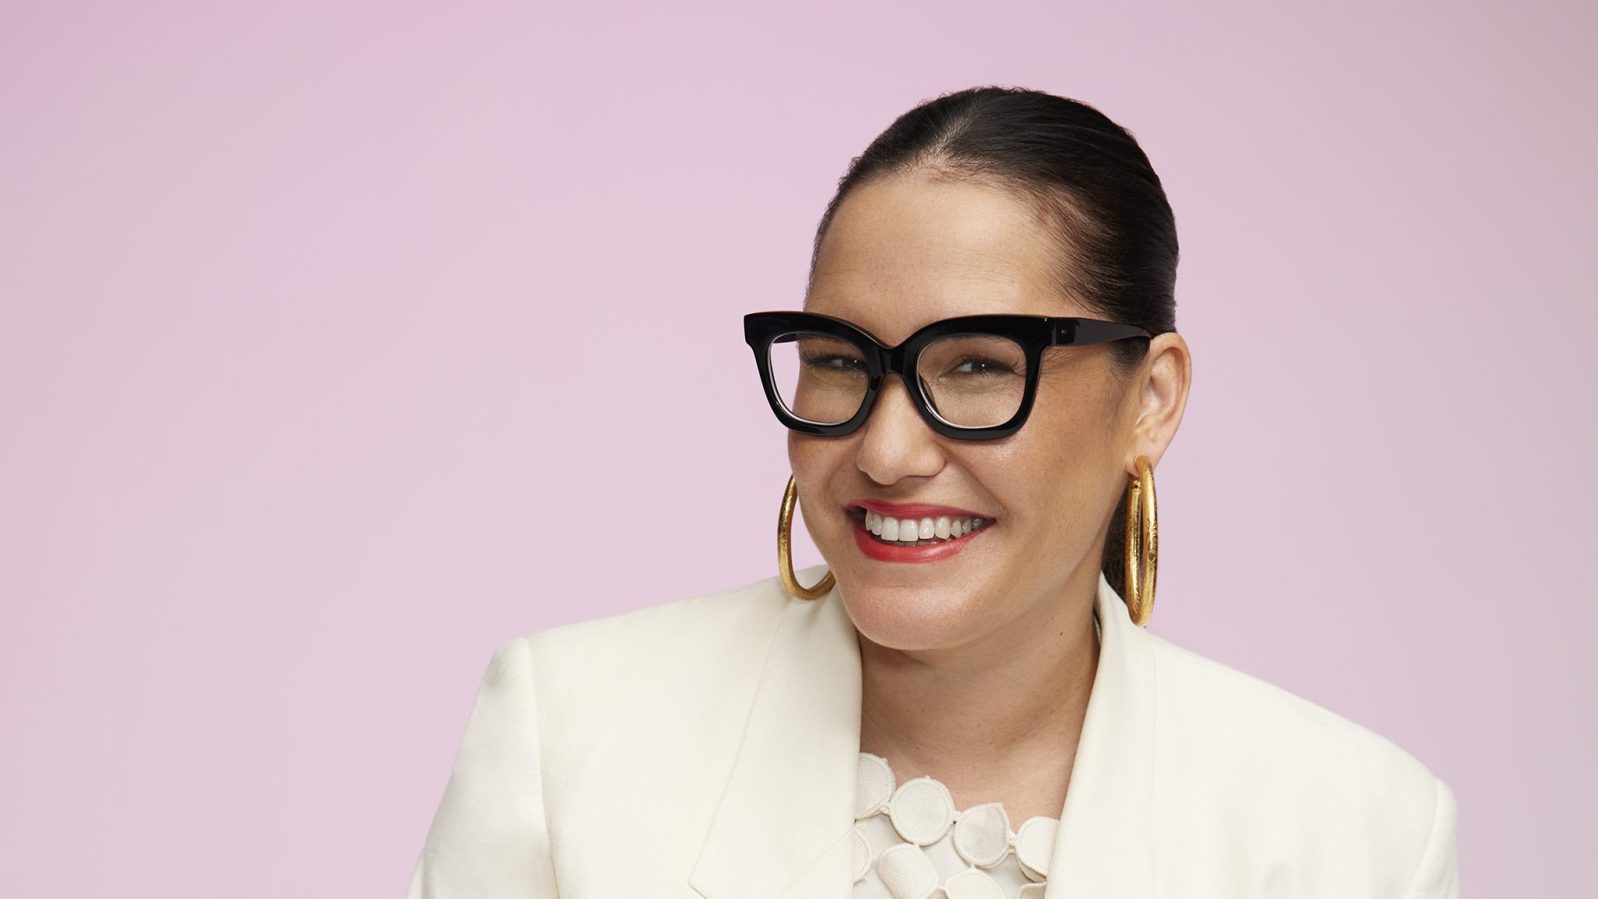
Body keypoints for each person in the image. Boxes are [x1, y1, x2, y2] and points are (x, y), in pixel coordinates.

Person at [405, 86, 1459, 898]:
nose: (886, 447)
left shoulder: (1349, 831)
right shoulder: (569, 728)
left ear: (1150, 399)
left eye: (975, 365)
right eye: (839, 358)